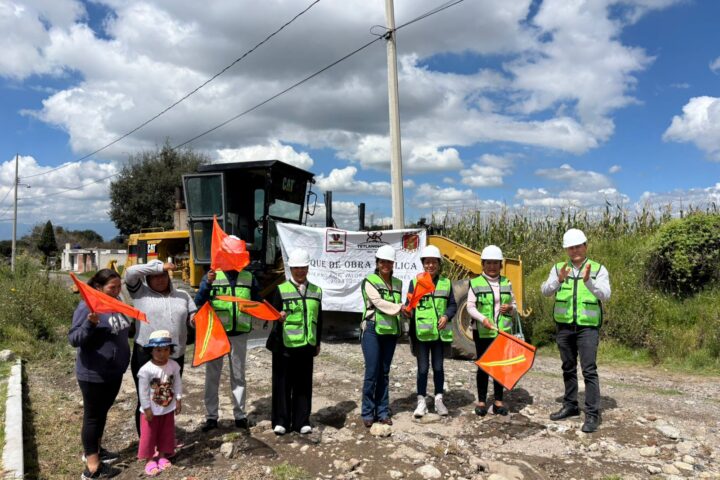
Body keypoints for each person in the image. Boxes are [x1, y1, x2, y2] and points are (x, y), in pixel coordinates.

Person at [541, 228, 610, 433]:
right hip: (564, 326)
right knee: (568, 367)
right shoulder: (559, 268)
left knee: (589, 370)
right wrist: (558, 280)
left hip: (587, 327)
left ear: (585, 246)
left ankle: (592, 414)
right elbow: (545, 291)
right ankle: (570, 405)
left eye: (578, 246)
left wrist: (589, 281)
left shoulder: (598, 269)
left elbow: (605, 295)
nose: (575, 250)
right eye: (570, 247)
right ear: (566, 250)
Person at [194, 239, 262, 432]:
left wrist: (272, 313)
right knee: (212, 376)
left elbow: (258, 301)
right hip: (216, 334)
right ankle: (211, 417)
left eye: (238, 255)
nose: (235, 258)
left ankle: (240, 416)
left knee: (238, 376)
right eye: (232, 255)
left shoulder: (249, 277)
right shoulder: (212, 276)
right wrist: (207, 284)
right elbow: (199, 301)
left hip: (239, 334)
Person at [69, 269, 130, 479]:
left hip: (114, 372)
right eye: (112, 287)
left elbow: (121, 331)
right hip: (93, 373)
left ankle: (95, 449)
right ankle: (92, 467)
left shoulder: (117, 302)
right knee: (93, 416)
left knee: (102, 413)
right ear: (98, 287)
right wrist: (89, 324)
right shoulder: (87, 306)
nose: (117, 291)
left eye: (119, 286)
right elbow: (74, 339)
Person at [125, 259, 197, 435]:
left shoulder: (183, 295)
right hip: (146, 355)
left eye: (163, 275)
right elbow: (130, 272)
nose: (160, 279)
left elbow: (192, 316)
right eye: (154, 276)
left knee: (167, 397)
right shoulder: (140, 293)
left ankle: (164, 439)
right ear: (147, 278)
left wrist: (194, 320)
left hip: (174, 355)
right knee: (146, 398)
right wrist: (159, 266)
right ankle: (147, 440)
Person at [266, 248, 323, 435]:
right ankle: (281, 421)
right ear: (291, 269)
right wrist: (278, 317)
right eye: (296, 268)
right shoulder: (281, 290)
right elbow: (271, 316)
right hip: (285, 345)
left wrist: (317, 342)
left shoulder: (316, 291)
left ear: (308, 268)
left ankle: (301, 421)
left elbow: (319, 318)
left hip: (306, 345)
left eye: (303, 267)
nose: (300, 271)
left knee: (303, 384)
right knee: (282, 384)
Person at [407, 245, 457, 418]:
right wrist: (407, 313)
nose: (430, 265)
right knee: (422, 369)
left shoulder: (446, 283)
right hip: (421, 335)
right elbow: (409, 306)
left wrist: (446, 316)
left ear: (439, 264)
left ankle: (438, 399)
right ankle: (421, 401)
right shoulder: (415, 283)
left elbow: (452, 305)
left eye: (434, 262)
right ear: (423, 264)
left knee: (438, 367)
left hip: (439, 335)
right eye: (427, 262)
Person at [467, 245, 517, 417]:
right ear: (483, 264)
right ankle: (481, 401)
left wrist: (510, 307)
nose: (492, 266)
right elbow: (470, 307)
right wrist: (483, 319)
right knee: (483, 366)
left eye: (495, 263)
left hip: (502, 331)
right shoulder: (475, 283)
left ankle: (498, 401)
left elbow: (515, 306)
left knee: (500, 367)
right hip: (482, 331)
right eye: (488, 263)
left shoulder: (506, 282)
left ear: (500, 265)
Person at [360, 245, 406, 428]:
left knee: (384, 372)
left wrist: (407, 311)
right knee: (372, 372)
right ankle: (367, 412)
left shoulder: (398, 283)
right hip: (372, 330)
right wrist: (400, 308)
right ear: (377, 263)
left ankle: (383, 411)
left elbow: (399, 305)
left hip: (390, 331)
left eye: (389, 262)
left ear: (393, 263)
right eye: (382, 262)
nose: (386, 265)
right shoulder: (369, 281)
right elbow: (378, 303)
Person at [137, 330, 183, 476]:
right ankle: (150, 459)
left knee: (166, 432)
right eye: (158, 350)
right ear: (151, 351)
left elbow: (177, 383)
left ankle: (163, 455)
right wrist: (147, 408)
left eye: (166, 349)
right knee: (149, 435)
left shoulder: (174, 366)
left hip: (167, 408)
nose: (162, 353)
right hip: (151, 410)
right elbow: (143, 392)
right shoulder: (146, 370)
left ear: (171, 350)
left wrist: (178, 399)